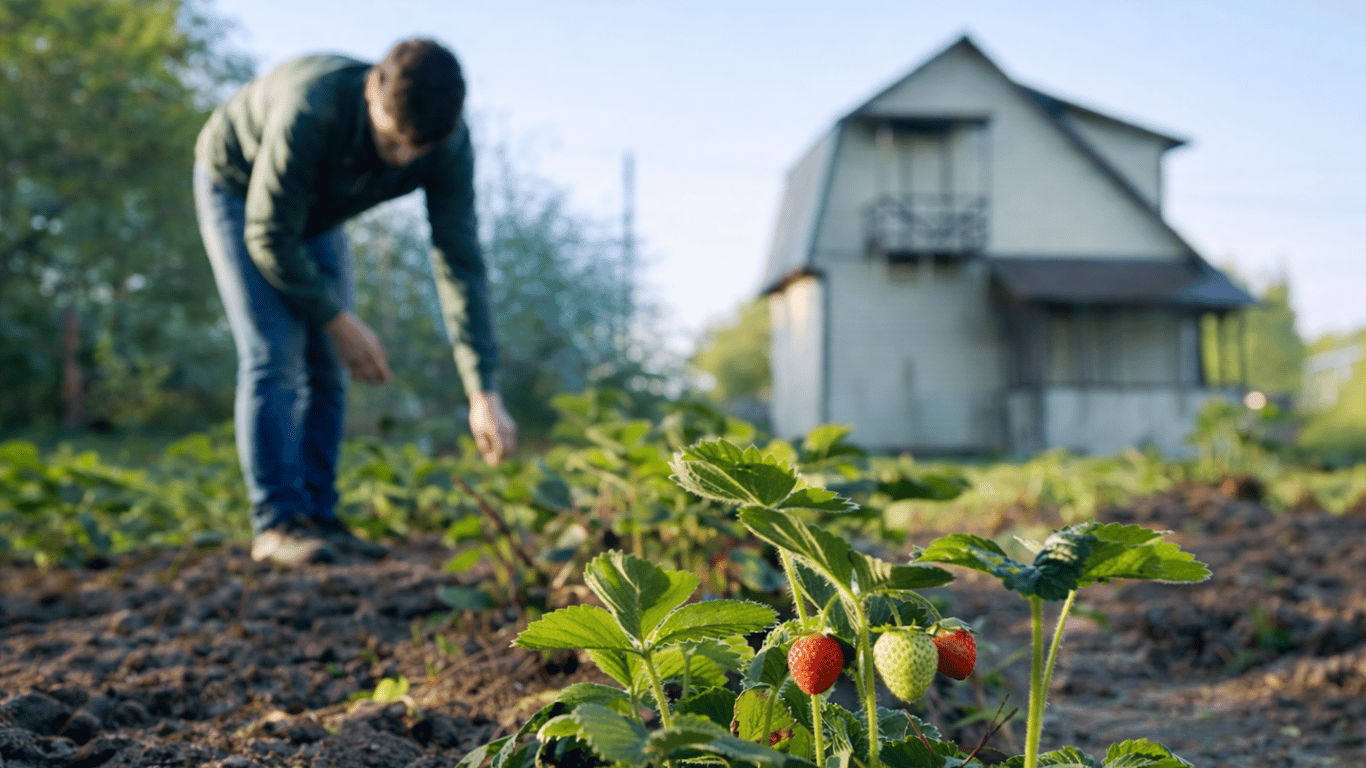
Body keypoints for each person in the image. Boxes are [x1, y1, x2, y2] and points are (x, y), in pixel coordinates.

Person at [193, 38, 516, 566]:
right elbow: (269, 233)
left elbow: (460, 261)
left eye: (418, 152)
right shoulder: (312, 107)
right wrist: (337, 319)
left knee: (329, 366)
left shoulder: (447, 143)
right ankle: (276, 523)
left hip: (320, 210)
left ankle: (320, 518)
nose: (403, 160)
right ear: (372, 91)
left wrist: (483, 389)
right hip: (240, 188)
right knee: (274, 353)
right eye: (392, 144)